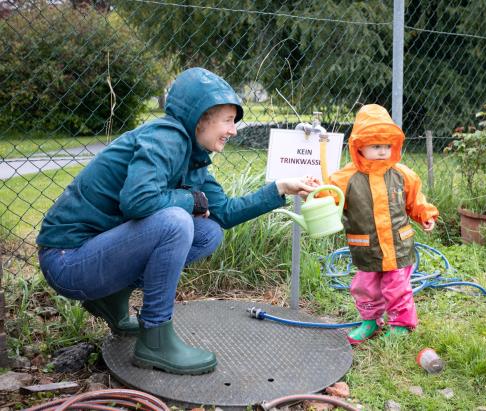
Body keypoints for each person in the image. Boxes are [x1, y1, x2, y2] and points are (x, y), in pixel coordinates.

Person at [36, 67, 317, 375]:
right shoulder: (167, 138)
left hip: (94, 254)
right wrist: (191, 201)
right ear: (200, 118)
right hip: (68, 260)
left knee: (208, 232)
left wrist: (280, 188)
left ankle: (111, 298)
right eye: (227, 120)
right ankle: (155, 340)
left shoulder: (193, 156)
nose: (234, 130)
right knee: (175, 222)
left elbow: (223, 212)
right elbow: (138, 200)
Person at [326, 104, 439, 345]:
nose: (382, 151)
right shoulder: (345, 178)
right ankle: (370, 321)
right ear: (359, 146)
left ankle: (401, 325)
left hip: (398, 246)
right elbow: (329, 196)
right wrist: (318, 194)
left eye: (387, 146)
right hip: (366, 247)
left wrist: (425, 214)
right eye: (376, 146)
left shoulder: (402, 174)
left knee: (396, 287)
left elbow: (415, 200)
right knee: (365, 286)